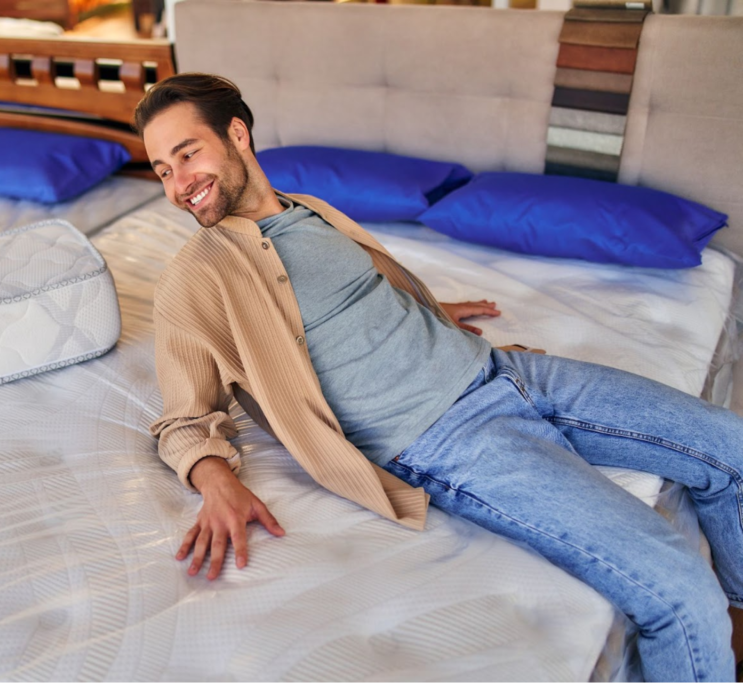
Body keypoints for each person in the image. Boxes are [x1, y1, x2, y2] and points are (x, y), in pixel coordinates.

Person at [135, 72, 742, 682]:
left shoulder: (308, 210)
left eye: (188, 154)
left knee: (731, 445)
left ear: (236, 134)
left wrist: (422, 312)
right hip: (445, 439)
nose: (178, 184)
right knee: (678, 590)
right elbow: (185, 416)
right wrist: (213, 480)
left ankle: (739, 607)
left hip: (504, 369)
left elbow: (357, 289)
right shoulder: (195, 278)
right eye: (162, 169)